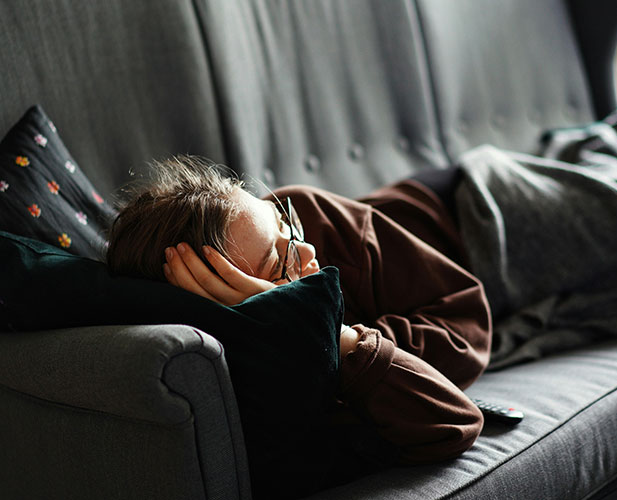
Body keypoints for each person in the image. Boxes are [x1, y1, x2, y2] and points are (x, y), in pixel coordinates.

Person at [106, 155, 492, 468]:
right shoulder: (268, 370)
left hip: (472, 205)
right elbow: (453, 421)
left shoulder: (309, 214)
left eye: (282, 222)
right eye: (279, 263)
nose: (305, 251)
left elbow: (468, 324)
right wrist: (327, 332)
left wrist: (343, 336)